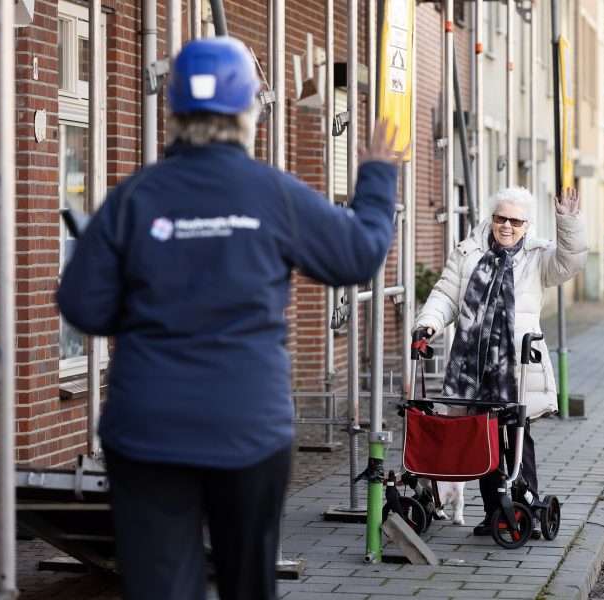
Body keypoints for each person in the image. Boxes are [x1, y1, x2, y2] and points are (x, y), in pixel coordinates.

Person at [57, 36, 405, 600]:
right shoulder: (273, 195)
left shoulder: (135, 199)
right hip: (248, 425)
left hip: (148, 429)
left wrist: (153, 310)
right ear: (249, 111)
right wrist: (376, 176)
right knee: (248, 583)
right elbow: (359, 255)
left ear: (172, 111)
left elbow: (81, 305)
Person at [413, 186, 588, 536]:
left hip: (516, 369)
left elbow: (570, 261)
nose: (506, 226)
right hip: (472, 368)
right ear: (491, 218)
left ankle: (525, 507)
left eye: (515, 221)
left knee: (517, 436)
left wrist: (567, 222)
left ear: (526, 225)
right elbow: (446, 295)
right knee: (482, 437)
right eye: (500, 218)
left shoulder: (539, 258)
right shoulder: (468, 253)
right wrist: (427, 324)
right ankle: (494, 511)